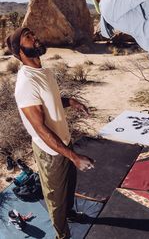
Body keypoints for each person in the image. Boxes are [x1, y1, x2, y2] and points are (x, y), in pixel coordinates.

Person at [6, 27, 94, 239]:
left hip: (63, 141)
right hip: (50, 152)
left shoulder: (43, 71)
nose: (35, 37)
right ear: (19, 52)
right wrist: (73, 156)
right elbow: (40, 128)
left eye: (33, 34)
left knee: (70, 186)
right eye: (28, 37)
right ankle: (62, 235)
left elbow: (50, 102)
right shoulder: (26, 83)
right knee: (56, 198)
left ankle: (70, 214)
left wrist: (70, 102)